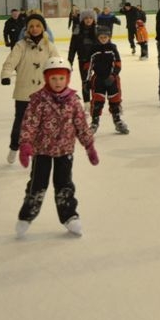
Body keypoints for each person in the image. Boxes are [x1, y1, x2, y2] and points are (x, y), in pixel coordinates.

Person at [15, 57, 99, 239]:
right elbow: (29, 123)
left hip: (65, 151)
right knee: (37, 185)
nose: (57, 82)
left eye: (61, 78)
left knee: (65, 185)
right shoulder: (38, 100)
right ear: (46, 79)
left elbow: (81, 125)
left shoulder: (73, 101)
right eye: (53, 78)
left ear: (67, 79)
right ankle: (26, 216)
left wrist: (89, 145)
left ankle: (69, 216)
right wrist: (25, 144)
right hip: (42, 151)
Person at [0, 13, 58, 164]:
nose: (34, 28)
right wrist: (6, 74)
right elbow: (10, 61)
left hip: (44, 92)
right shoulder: (21, 45)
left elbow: (57, 65)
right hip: (24, 91)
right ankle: (14, 147)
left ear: (43, 28)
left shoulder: (49, 46)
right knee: (20, 122)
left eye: (38, 25)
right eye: (31, 26)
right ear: (27, 28)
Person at [87, 25, 127, 135]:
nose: (103, 39)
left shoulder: (112, 48)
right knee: (97, 101)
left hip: (112, 79)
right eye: (101, 37)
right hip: (98, 79)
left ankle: (117, 120)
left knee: (115, 100)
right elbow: (88, 66)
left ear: (109, 37)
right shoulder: (93, 49)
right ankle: (95, 122)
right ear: (97, 38)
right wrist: (87, 81)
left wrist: (113, 75)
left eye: (105, 37)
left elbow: (118, 63)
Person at [67, 9, 98, 111]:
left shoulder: (98, 30)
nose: (88, 20)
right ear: (82, 20)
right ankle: (87, 102)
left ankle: (97, 100)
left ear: (94, 19)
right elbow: (72, 48)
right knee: (85, 82)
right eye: (86, 18)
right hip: (83, 61)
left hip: (97, 61)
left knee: (97, 81)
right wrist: (69, 62)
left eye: (90, 18)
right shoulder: (77, 31)